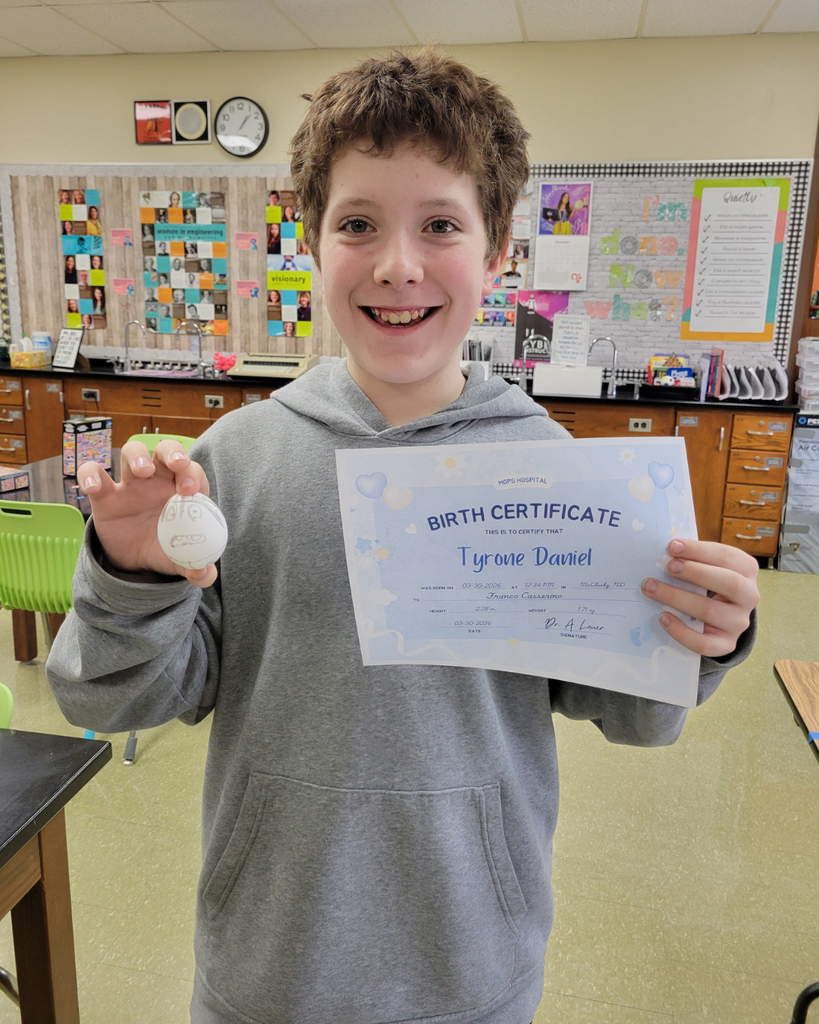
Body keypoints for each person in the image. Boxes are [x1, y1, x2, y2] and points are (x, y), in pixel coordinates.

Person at [48, 49, 758, 1024]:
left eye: (440, 225)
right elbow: (111, 696)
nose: (397, 265)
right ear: (312, 242)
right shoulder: (236, 461)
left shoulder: (552, 469)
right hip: (269, 962)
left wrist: (699, 634)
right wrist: (131, 582)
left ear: (496, 252)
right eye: (357, 224)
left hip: (471, 964)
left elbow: (635, 715)